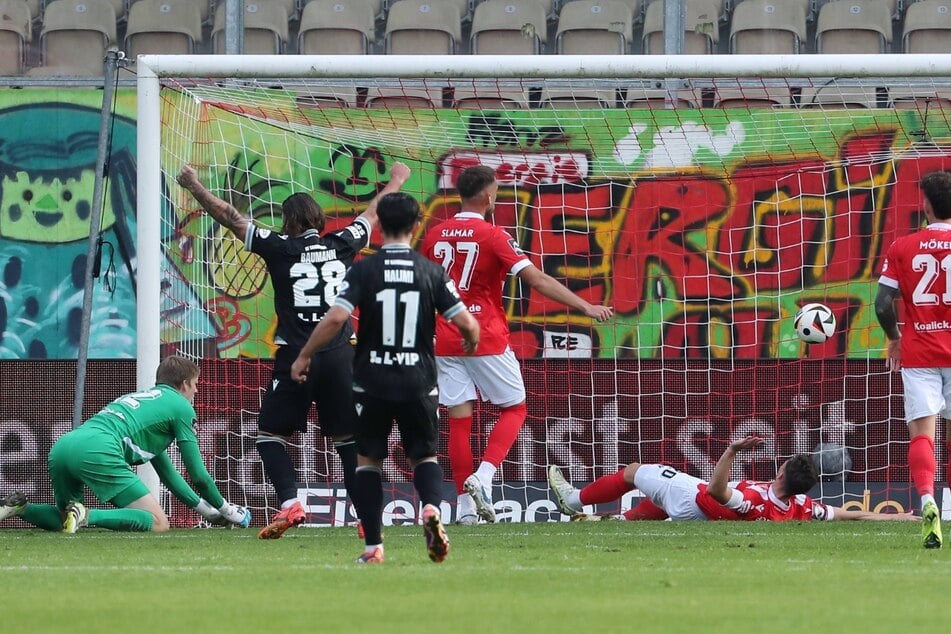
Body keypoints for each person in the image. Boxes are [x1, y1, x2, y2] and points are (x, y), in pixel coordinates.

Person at [177, 161, 411, 540]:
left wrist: (194, 186)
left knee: (270, 436)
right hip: (341, 356)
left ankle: (291, 504)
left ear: (288, 223)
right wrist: (398, 179)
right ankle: (367, 515)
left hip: (296, 356)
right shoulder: (343, 242)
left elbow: (230, 216)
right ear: (319, 221)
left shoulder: (278, 247)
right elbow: (374, 212)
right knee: (348, 441)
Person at [290, 192, 480, 564]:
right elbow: (467, 324)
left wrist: (304, 354)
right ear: (414, 225)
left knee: (367, 462)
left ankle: (374, 547)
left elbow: (335, 319)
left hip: (371, 380)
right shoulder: (430, 272)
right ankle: (430, 509)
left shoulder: (363, 270)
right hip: (419, 379)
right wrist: (472, 341)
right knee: (423, 456)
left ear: (380, 228)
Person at [419, 165, 614, 525]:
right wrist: (586, 306)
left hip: (445, 337)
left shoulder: (434, 235)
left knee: (459, 420)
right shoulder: (493, 236)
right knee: (515, 409)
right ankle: (485, 477)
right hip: (485, 334)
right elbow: (536, 280)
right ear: (489, 197)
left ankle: (465, 510)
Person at [0, 356, 249, 533]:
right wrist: (228, 509)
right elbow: (199, 476)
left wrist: (208, 512)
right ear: (184, 384)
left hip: (64, 445)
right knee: (158, 523)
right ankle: (87, 514)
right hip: (98, 449)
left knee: (66, 517)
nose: (196, 392)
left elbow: (169, 476)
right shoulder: (181, 407)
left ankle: (21, 507)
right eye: (195, 386)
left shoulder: (144, 402)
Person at [548, 435, 916, 523]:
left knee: (634, 472)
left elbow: (716, 491)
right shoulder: (801, 507)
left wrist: (732, 451)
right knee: (652, 507)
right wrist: (897, 516)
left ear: (782, 471)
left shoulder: (755, 501)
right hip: (696, 515)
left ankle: (574, 500)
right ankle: (608, 524)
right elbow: (851, 514)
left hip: (694, 500)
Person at [875, 169, 951, 549]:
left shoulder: (903, 247)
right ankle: (950, 507)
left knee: (923, 435)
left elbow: (882, 304)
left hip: (920, 352)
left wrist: (894, 339)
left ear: (925, 204)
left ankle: (926, 500)